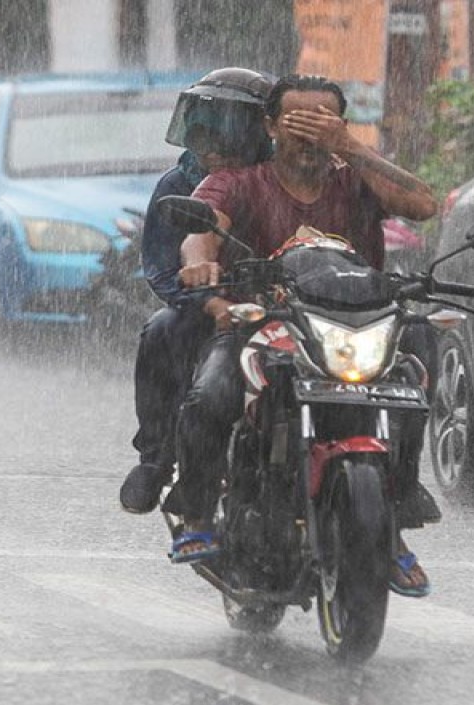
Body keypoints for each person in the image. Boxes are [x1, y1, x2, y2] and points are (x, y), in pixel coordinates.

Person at [166, 74, 441, 597]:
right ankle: (198, 515)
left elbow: (422, 204)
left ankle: (396, 515)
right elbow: (199, 236)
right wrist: (201, 266)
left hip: (358, 326)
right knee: (211, 394)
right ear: (269, 126)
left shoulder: (355, 179)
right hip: (262, 326)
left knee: (416, 359)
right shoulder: (239, 182)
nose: (310, 131)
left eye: (324, 120)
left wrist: (351, 148)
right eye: (297, 119)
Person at [119, 67, 275, 514]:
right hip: (206, 309)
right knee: (159, 329)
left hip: (285, 307)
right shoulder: (176, 184)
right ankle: (157, 456)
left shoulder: (280, 178)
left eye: (229, 132)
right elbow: (165, 269)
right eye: (203, 133)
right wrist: (210, 300)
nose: (213, 149)